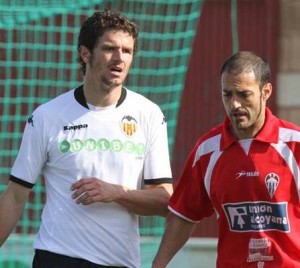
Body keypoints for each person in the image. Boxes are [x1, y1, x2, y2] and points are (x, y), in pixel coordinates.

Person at [0, 9, 173, 268]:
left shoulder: (149, 114)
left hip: (120, 262)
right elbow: (15, 196)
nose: (119, 58)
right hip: (56, 258)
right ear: (85, 53)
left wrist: (115, 192)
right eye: (109, 48)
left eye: (127, 51)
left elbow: (164, 201)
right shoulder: (47, 116)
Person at [152, 51, 300, 268]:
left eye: (243, 94)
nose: (234, 105)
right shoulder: (207, 151)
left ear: (265, 91)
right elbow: (184, 214)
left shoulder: (295, 145)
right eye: (227, 94)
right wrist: (158, 265)